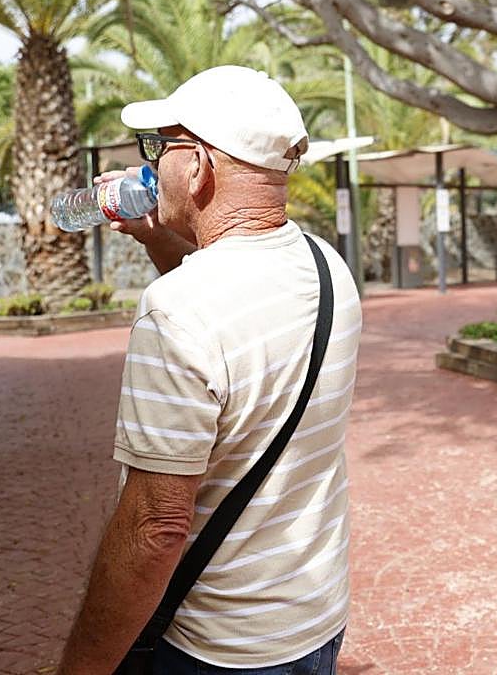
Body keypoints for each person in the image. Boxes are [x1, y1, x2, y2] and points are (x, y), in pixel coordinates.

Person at [58, 66, 361, 675]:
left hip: (219, 649)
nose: (149, 164)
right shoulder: (328, 267)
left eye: (157, 148)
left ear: (196, 166)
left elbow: (156, 527)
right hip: (313, 622)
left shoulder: (176, 312)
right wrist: (158, 241)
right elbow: (228, 333)